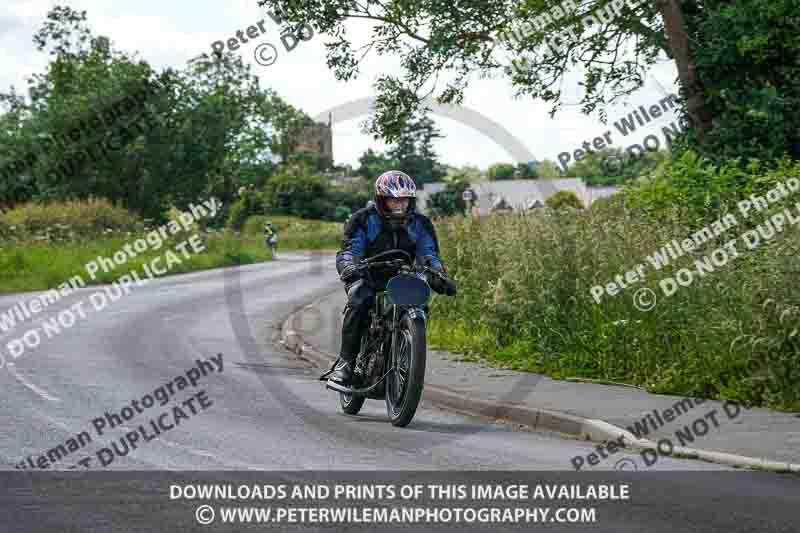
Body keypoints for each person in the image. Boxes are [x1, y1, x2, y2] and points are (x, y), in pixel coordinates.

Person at [330, 170, 454, 387]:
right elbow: (351, 249)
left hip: (402, 277)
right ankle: (346, 363)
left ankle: (408, 351)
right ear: (381, 200)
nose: (400, 205)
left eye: (404, 199)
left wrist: (438, 273)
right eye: (393, 199)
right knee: (360, 299)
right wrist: (350, 267)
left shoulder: (421, 224)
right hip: (367, 275)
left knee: (420, 302)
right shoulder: (363, 219)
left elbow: (429, 253)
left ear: (411, 200)